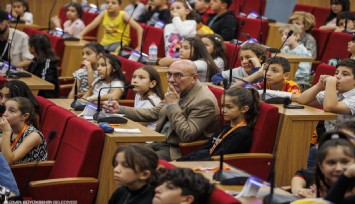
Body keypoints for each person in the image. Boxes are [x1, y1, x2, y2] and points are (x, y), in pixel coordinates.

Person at [103, 60, 219, 161]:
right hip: (160, 141)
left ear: (194, 78)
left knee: (134, 159)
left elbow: (186, 135)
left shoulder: (204, 101)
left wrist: (173, 105)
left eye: (178, 75)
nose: (171, 80)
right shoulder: (179, 87)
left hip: (177, 149)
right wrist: (120, 109)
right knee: (119, 153)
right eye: (169, 75)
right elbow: (154, 113)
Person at [177, 87, 259, 161]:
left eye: (229, 107)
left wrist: (189, 162)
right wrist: (183, 160)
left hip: (213, 166)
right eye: (222, 106)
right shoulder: (225, 127)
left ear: (244, 109)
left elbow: (218, 156)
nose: (223, 110)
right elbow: (206, 146)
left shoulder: (242, 134)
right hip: (204, 160)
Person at [297, 58, 355, 132]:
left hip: (348, 141)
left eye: (345, 74)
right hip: (328, 136)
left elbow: (330, 107)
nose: (337, 77)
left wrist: (330, 82)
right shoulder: (335, 91)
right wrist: (319, 86)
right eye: (336, 73)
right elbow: (302, 100)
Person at [291, 132, 355, 198]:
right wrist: (298, 190)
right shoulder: (316, 175)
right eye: (331, 163)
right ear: (321, 166)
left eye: (345, 162)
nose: (338, 168)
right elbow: (301, 174)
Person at [0, 97, 47, 165]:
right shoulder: (12, 129)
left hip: (23, 173)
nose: (5, 114)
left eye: (11, 111)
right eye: (5, 110)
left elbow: (8, 161)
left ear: (24, 116)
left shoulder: (34, 135)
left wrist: (6, 132)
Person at [233, 56, 302, 102]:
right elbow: (233, 89)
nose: (268, 73)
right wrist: (259, 73)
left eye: (274, 71)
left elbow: (298, 98)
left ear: (286, 75)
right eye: (266, 69)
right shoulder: (264, 83)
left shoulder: (291, 85)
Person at [279, 24, 312, 89]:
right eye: (282, 35)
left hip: (299, 82)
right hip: (285, 78)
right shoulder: (285, 49)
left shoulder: (302, 51)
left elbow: (304, 72)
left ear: (296, 36)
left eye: (287, 34)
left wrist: (285, 76)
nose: (284, 37)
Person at [28, 34, 60, 98]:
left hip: (46, 96)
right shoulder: (35, 59)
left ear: (33, 48)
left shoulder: (48, 62)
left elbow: (44, 82)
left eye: (29, 46)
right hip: (36, 91)